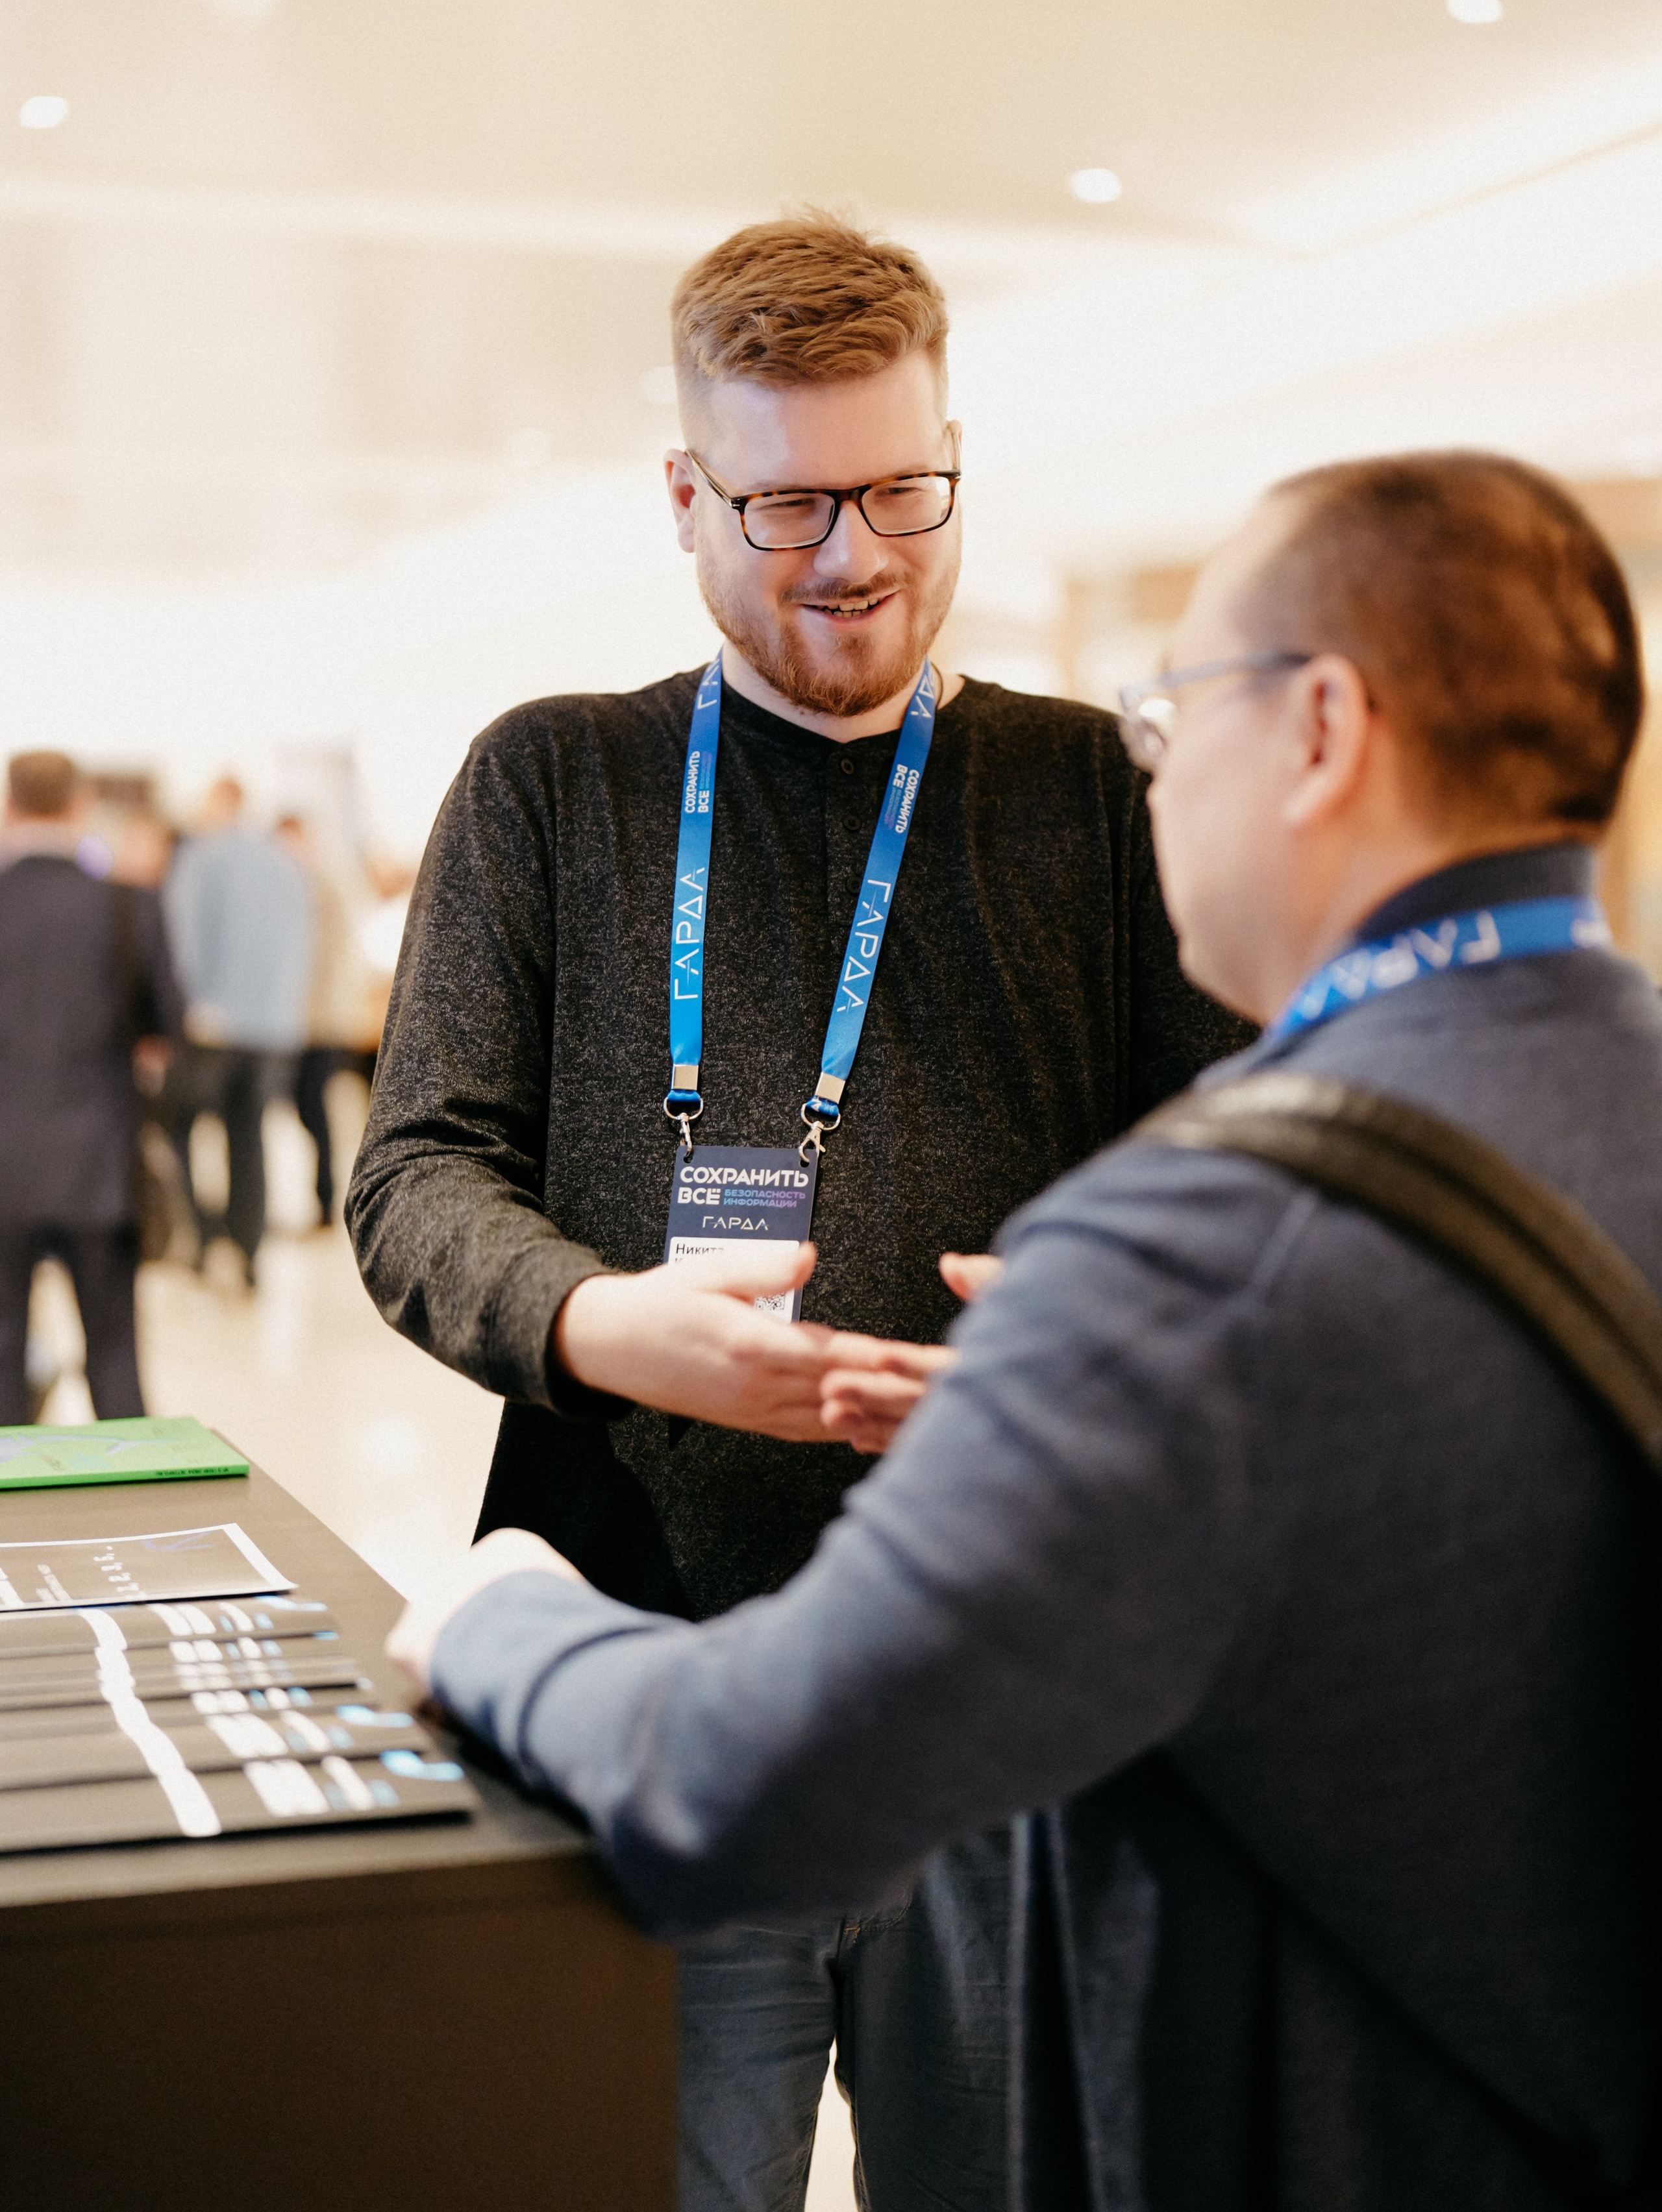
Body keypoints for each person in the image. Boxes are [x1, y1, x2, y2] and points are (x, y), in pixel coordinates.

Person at [392, 450, 1662, 2212]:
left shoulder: (1206, 1249)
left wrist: (498, 1614)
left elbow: (742, 1783)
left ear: (1320, 732)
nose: (1149, 768)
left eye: (1178, 709)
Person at [347, 212, 1246, 2212]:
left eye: (903, 489)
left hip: (997, 1690)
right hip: (639, 1657)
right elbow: (418, 1172)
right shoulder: (552, 783)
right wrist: (600, 1325)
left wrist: (1089, 1318)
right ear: (684, 492)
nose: (854, 554)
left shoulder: (1096, 789)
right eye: (785, 504)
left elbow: (1235, 1159)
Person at [0, 750, 182, 1423]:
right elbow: (169, 1027)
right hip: (100, 1162)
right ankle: (134, 1518)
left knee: (2, 1357)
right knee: (114, 1357)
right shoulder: (128, 906)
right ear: (80, 808)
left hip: (3, 1168)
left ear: (9, 805)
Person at [164, 777, 313, 1284]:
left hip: (214, 1026)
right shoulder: (284, 863)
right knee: (250, 1139)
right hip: (273, 1028)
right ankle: (249, 1249)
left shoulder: (203, 856)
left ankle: (203, 1238)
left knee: (176, 1128)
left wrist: (186, 1010)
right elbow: (300, 946)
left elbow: (183, 940)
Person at [273, 813, 371, 1227]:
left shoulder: (323, 884)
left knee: (315, 1110)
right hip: (297, 1021)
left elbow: (326, 959)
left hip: (320, 1022)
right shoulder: (292, 887)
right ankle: (321, 1199)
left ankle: (328, 1202)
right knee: (304, 1110)